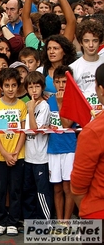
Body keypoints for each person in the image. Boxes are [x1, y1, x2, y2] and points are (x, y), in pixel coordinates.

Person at [0, 68, 27, 236]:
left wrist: (15, 152)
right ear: (1, 87)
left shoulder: (22, 105)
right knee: (0, 189)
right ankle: (0, 220)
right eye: (7, 85)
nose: (10, 89)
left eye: (14, 85)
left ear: (18, 86)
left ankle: (13, 221)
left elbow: (24, 131)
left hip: (19, 155)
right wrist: (4, 153)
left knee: (16, 189)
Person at [71, 63, 104, 230]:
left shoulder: (93, 131)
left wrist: (87, 207)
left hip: (97, 213)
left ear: (100, 89)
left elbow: (78, 184)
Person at [47, 65, 76, 221]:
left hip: (69, 148)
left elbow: (67, 124)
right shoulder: (49, 101)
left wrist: (60, 104)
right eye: (58, 82)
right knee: (57, 187)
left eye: (64, 82)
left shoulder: (73, 100)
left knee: (68, 187)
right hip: (53, 148)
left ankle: (66, 220)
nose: (61, 85)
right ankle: (59, 220)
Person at [22, 71, 52, 220]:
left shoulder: (44, 106)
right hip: (28, 156)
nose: (34, 90)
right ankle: (29, 220)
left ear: (42, 88)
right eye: (31, 87)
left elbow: (34, 131)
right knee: (28, 190)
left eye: (37, 86)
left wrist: (32, 109)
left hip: (40, 158)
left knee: (42, 192)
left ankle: (44, 221)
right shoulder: (26, 105)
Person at [71, 20, 104, 115]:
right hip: (84, 118)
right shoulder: (73, 68)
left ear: (100, 42)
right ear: (80, 42)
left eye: (95, 41)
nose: (91, 45)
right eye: (86, 41)